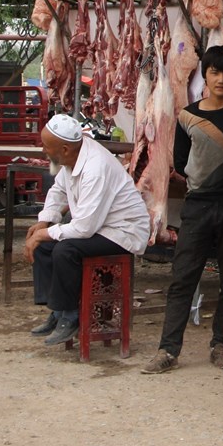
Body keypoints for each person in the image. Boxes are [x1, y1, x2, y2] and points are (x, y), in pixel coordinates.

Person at [142, 45, 223, 374]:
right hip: (197, 206)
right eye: (215, 72)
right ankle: (167, 350)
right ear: (206, 74)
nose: (221, 79)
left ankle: (221, 345)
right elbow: (181, 163)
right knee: (183, 277)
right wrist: (210, 176)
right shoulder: (188, 116)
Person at [25, 114, 150, 346]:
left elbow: (83, 228)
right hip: (99, 227)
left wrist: (46, 233)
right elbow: (57, 192)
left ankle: (70, 316)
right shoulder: (72, 155)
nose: (44, 151)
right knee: (44, 247)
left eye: (47, 147)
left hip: (122, 232)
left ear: (64, 149)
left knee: (65, 250)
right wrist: (44, 222)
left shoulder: (95, 167)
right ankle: (57, 310)